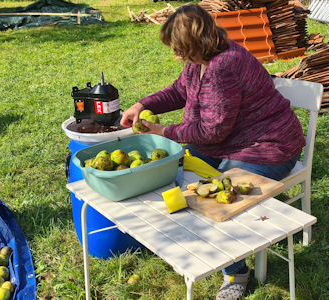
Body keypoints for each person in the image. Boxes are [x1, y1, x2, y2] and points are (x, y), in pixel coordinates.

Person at [120, 4, 305, 300]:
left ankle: (236, 272)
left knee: (223, 198)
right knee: (176, 176)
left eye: (178, 48)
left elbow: (211, 130)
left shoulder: (224, 65)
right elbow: (180, 90)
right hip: (228, 141)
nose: (175, 55)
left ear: (195, 43)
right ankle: (196, 239)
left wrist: (163, 131)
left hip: (268, 145)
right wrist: (142, 105)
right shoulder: (200, 59)